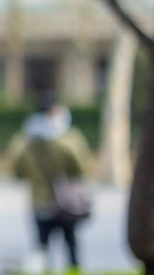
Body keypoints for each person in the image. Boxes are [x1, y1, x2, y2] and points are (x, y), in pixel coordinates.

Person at [9, 96, 92, 273]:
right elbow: (80, 169)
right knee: (71, 246)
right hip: (65, 203)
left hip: (39, 202)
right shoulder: (68, 140)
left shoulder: (25, 141)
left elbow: (17, 171)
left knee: (41, 248)